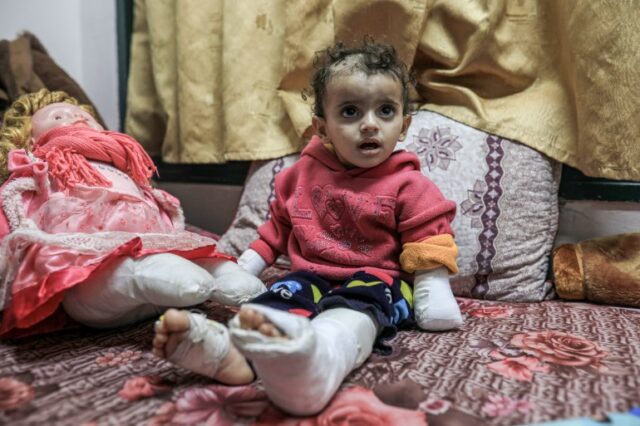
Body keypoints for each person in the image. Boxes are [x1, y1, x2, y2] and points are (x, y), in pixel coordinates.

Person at [152, 39, 463, 415]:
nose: (369, 124)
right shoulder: (301, 176)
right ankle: (232, 354)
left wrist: (432, 291)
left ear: (403, 125)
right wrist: (242, 268)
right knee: (275, 303)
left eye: (385, 111)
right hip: (310, 279)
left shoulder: (409, 185)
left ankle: (322, 359)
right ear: (323, 128)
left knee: (357, 313)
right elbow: (278, 229)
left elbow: (427, 240)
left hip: (377, 280)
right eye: (350, 111)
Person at [0, 89, 266, 337]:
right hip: (88, 256)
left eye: (82, 114)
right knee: (106, 281)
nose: (76, 116)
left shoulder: (126, 161)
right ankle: (149, 279)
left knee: (191, 255)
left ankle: (224, 277)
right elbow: (10, 207)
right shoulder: (37, 166)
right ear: (29, 141)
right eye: (58, 116)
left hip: (149, 241)